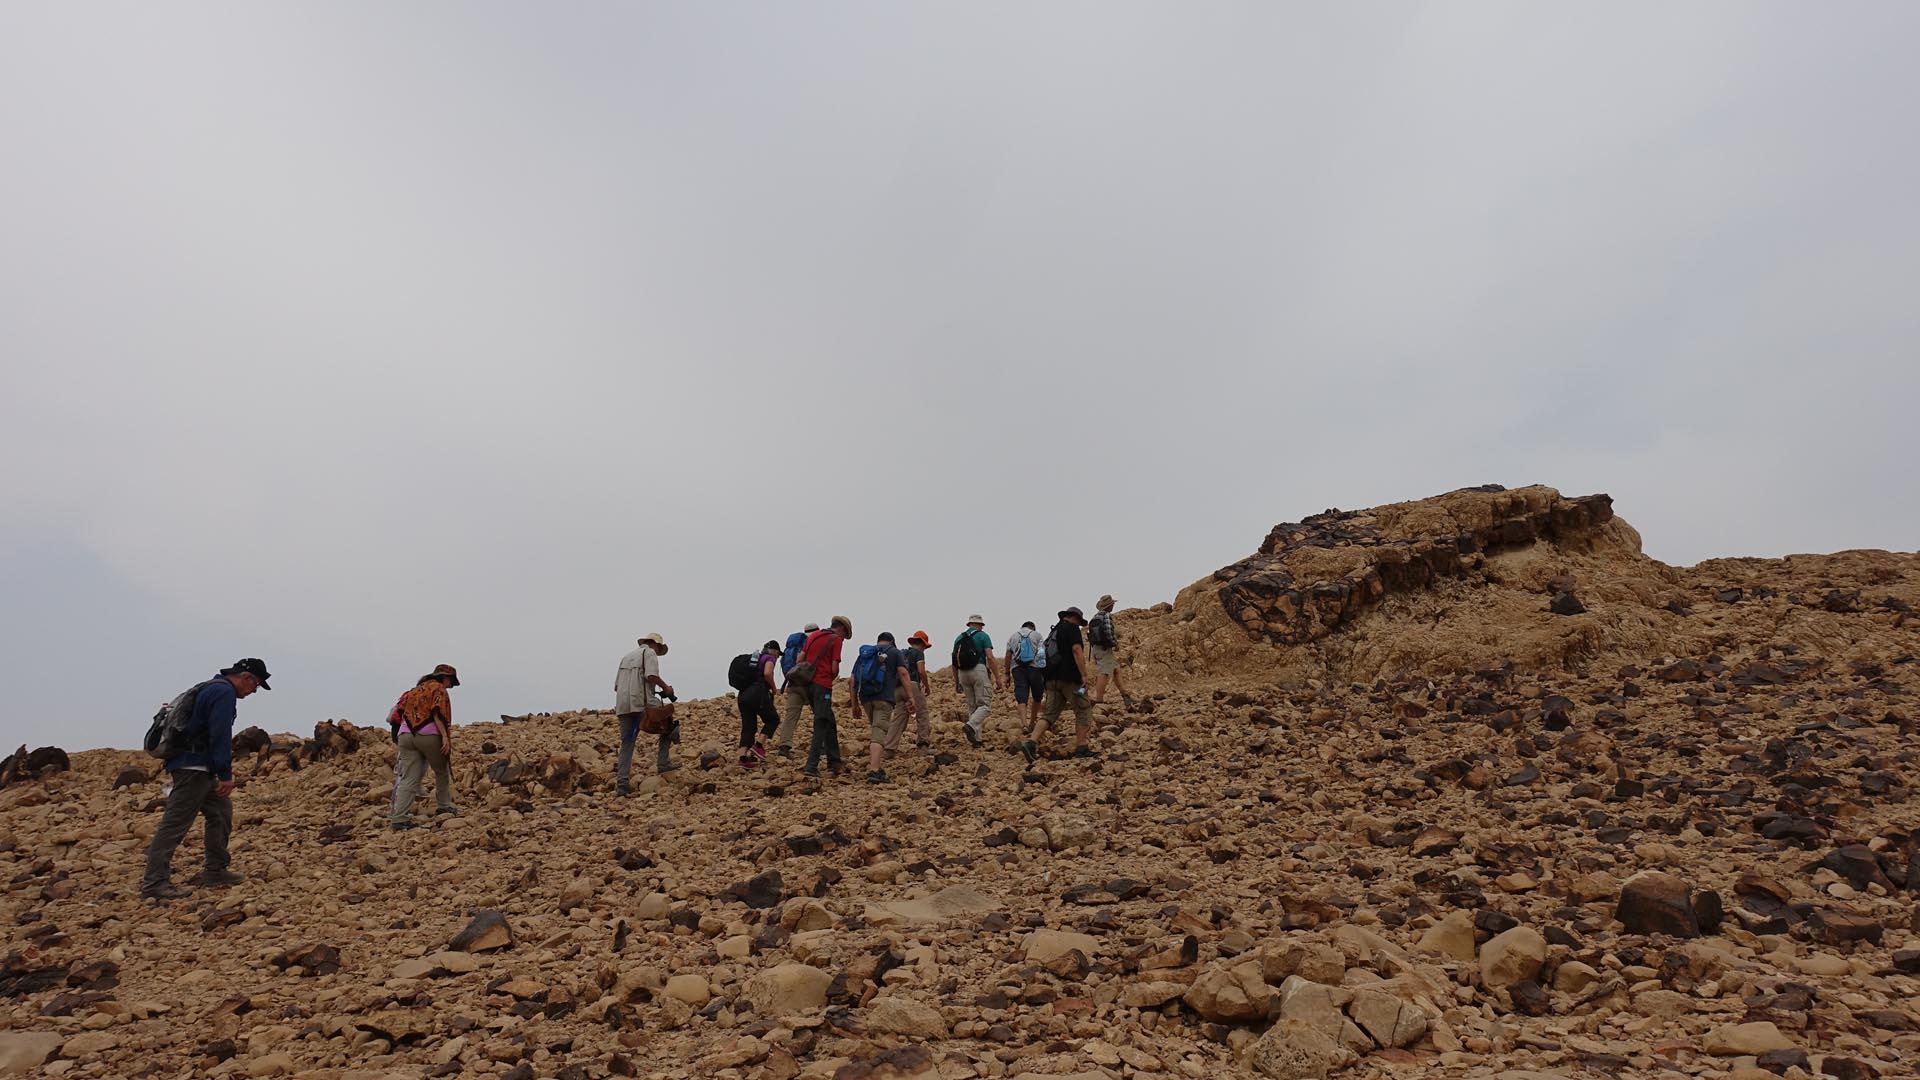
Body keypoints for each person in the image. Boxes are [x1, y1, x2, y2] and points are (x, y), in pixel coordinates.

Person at [141, 658, 270, 900]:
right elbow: (219, 734)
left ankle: (215, 870)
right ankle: (155, 884)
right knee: (174, 824)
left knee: (221, 812)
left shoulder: (210, 687)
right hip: (195, 768)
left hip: (199, 768)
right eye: (256, 686)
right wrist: (226, 774)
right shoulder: (223, 693)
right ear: (246, 678)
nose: (254, 692)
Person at [390, 664, 460, 830]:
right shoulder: (438, 689)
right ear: (445, 677)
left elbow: (398, 713)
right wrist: (444, 737)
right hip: (428, 734)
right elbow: (438, 714)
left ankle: (399, 818)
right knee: (441, 770)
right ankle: (444, 805)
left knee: (409, 778)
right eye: (451, 681)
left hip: (405, 736)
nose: (450, 686)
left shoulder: (414, 690)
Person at [1023, 608, 1096, 764]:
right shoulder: (1072, 629)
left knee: (1050, 714)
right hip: (1070, 678)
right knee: (1083, 708)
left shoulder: (1054, 630)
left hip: (1051, 679)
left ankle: (1031, 742)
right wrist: (1083, 674)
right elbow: (1076, 650)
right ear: (1075, 618)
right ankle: (1082, 747)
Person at [614, 633, 676, 793]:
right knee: (670, 725)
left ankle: (622, 783)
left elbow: (616, 686)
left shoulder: (626, 658)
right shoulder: (649, 653)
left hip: (622, 706)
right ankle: (663, 764)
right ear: (655, 645)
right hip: (641, 703)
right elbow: (651, 675)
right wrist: (666, 688)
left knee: (627, 743)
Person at [851, 632, 910, 784]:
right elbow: (903, 673)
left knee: (876, 729)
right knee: (879, 732)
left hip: (866, 699)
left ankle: (875, 766)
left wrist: (855, 704)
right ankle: (875, 770)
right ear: (892, 641)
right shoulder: (894, 652)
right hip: (884, 699)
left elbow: (852, 680)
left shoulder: (865, 655)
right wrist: (911, 697)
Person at [799, 616, 854, 778]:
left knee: (829, 720)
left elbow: (800, 659)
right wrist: (830, 678)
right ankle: (811, 766)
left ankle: (834, 761)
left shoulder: (815, 635)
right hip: (822, 685)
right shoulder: (836, 640)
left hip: (808, 685)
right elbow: (834, 667)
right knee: (821, 724)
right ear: (842, 629)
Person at [951, 615, 1001, 747]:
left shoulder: (959, 638)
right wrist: (997, 677)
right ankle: (970, 726)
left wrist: (956, 682)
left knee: (972, 706)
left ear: (969, 624)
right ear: (980, 625)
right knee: (984, 705)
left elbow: (954, 662)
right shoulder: (983, 636)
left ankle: (976, 740)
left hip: (963, 673)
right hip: (978, 669)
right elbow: (989, 657)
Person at [775, 622, 820, 758]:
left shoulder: (791, 647)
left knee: (791, 717)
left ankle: (784, 745)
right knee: (819, 715)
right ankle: (822, 745)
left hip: (793, 684)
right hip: (809, 684)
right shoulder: (813, 643)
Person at [884, 630, 933, 752]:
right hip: (912, 686)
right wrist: (926, 686)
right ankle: (923, 745)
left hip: (897, 688)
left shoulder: (901, 653)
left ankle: (889, 748)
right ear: (922, 643)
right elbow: (921, 671)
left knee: (899, 718)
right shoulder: (918, 653)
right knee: (922, 714)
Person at [737, 640, 782, 768]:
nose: (778, 658)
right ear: (774, 651)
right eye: (778, 654)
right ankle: (759, 746)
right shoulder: (769, 658)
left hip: (743, 695)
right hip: (758, 693)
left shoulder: (753, 660)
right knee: (773, 719)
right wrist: (774, 688)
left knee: (748, 727)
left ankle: (743, 759)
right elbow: (767, 673)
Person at [1087, 594, 1133, 706]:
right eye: (1112, 604)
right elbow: (1108, 631)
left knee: (1116, 670)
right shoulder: (1106, 616)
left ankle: (1125, 696)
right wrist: (1114, 643)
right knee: (1104, 673)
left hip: (1096, 648)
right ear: (1109, 606)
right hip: (1104, 649)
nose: (1113, 606)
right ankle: (1099, 700)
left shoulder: (1095, 617)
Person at [1003, 620, 1048, 729]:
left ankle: (1024, 724)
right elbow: (1042, 652)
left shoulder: (1013, 636)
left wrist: (1007, 673)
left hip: (1017, 669)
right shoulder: (1037, 635)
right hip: (1035, 668)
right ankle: (1032, 721)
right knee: (1037, 695)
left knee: (1021, 696)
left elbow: (1008, 655)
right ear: (1033, 628)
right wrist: (1044, 670)